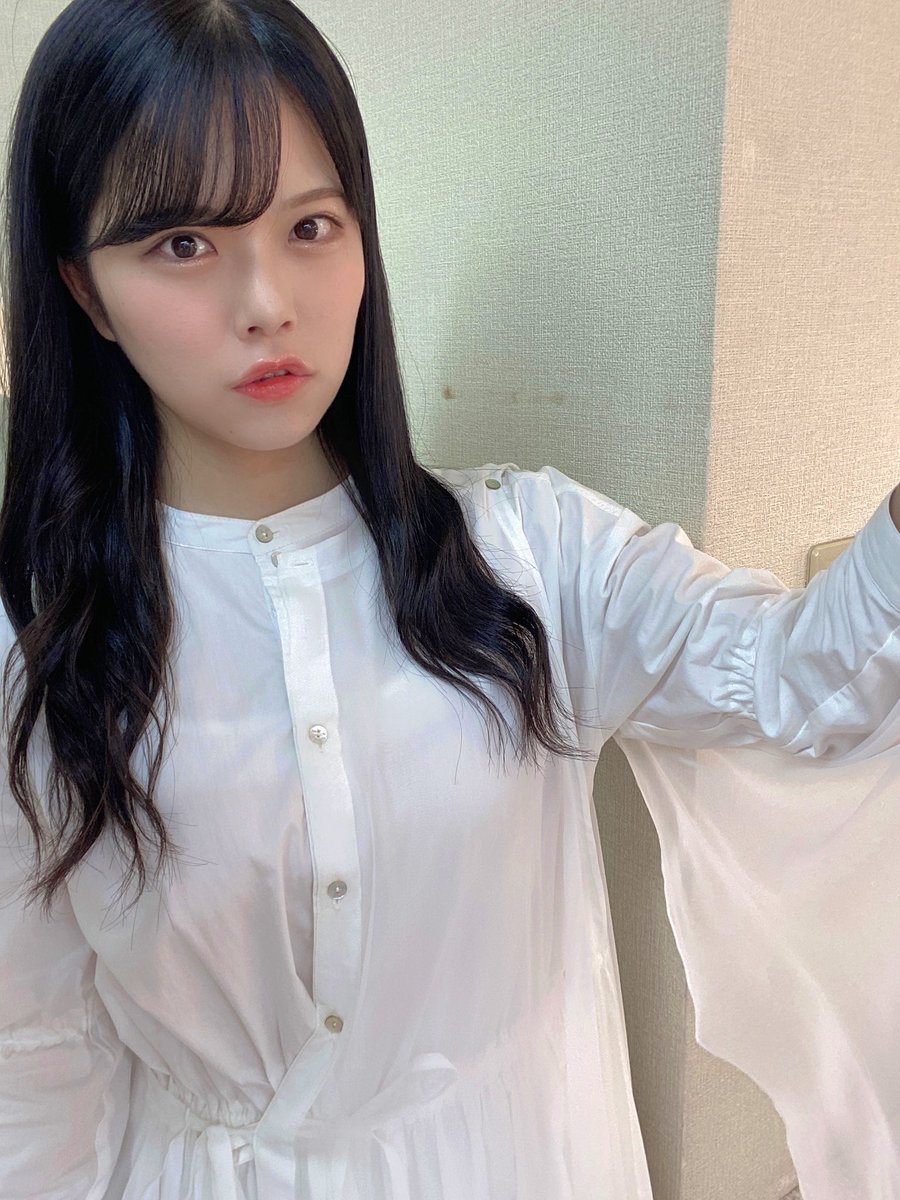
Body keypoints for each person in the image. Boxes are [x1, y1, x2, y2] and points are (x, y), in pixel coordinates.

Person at [0, 2, 897, 1198]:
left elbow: (812, 686)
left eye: (310, 226)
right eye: (183, 244)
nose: (266, 300)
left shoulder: (530, 558)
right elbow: (33, 1059)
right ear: (85, 290)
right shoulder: (32, 650)